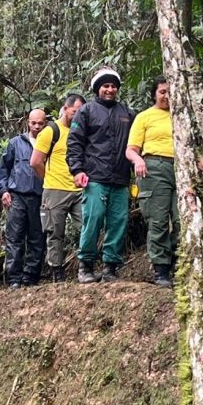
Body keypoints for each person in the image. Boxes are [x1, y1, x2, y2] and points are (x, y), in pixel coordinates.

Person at [126, 77, 203, 286]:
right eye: (162, 91)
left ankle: (181, 267)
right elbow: (130, 150)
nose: (166, 95)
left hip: (181, 169)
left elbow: (191, 151)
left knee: (182, 219)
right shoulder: (144, 117)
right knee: (158, 220)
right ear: (154, 94)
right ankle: (161, 271)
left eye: (170, 91)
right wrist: (138, 160)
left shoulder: (181, 117)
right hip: (153, 168)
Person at [67, 67, 134, 283]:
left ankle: (110, 268)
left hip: (121, 178)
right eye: (105, 86)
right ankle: (85, 266)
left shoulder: (127, 113)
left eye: (113, 86)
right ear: (98, 89)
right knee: (93, 219)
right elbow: (75, 143)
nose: (110, 90)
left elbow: (136, 142)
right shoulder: (85, 111)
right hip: (94, 177)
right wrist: (77, 170)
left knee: (118, 222)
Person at [32, 93, 85, 283]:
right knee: (55, 233)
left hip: (78, 189)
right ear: (65, 108)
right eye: (74, 111)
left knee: (87, 227)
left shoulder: (81, 131)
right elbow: (36, 161)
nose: (77, 115)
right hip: (55, 190)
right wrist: (49, 179)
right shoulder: (50, 131)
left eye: (80, 112)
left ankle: (87, 266)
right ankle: (57, 272)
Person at [0, 111, 48, 286]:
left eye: (40, 123)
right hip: (17, 195)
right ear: (28, 123)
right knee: (15, 237)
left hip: (40, 196)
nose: (37, 127)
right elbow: (4, 168)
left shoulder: (49, 142)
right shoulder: (15, 143)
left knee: (37, 237)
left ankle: (31, 277)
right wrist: (3, 190)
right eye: (33, 123)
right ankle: (14, 279)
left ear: (45, 123)